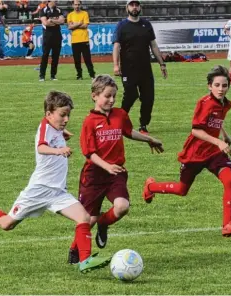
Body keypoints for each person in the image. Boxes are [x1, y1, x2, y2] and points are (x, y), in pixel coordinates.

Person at [0, 91, 111, 273]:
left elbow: (55, 133)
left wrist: (62, 133)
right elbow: (41, 147)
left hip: (58, 192)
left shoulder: (56, 127)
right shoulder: (45, 127)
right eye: (62, 115)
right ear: (48, 114)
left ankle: (84, 261)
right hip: (38, 190)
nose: (66, 119)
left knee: (83, 218)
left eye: (68, 115)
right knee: (6, 224)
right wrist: (58, 150)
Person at [68, 75, 164, 264]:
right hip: (94, 175)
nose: (111, 100)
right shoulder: (89, 122)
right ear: (94, 96)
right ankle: (74, 250)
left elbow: (128, 132)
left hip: (116, 173)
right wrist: (106, 166)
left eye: (114, 96)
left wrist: (150, 139)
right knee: (88, 219)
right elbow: (89, 154)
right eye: (107, 96)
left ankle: (104, 223)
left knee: (122, 207)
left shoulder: (120, 114)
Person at [142, 65, 231, 238]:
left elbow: (217, 121)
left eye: (224, 85)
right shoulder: (204, 104)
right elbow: (196, 130)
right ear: (209, 86)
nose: (221, 89)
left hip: (213, 152)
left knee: (230, 179)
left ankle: (227, 224)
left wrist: (225, 135)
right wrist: (219, 141)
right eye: (217, 85)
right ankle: (151, 186)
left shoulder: (226, 104)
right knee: (182, 190)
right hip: (195, 153)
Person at [112, 0, 167, 135]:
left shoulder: (146, 24)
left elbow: (153, 45)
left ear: (140, 7)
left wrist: (162, 63)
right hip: (128, 69)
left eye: (137, 5)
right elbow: (116, 46)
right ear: (127, 8)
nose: (134, 7)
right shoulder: (122, 25)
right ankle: (119, 121)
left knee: (148, 98)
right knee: (130, 96)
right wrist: (115, 65)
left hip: (145, 69)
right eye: (132, 5)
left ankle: (143, 125)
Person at [67, 0, 95, 80]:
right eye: (75, 4)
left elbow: (85, 26)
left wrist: (74, 25)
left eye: (78, 4)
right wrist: (79, 23)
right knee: (77, 60)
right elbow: (69, 27)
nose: (77, 6)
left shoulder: (85, 13)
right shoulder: (70, 15)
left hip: (84, 40)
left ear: (81, 5)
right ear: (72, 5)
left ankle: (92, 74)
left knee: (87, 59)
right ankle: (79, 75)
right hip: (75, 40)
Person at [39, 0, 65, 82]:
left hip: (57, 36)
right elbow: (46, 23)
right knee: (45, 56)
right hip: (47, 37)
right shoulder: (43, 10)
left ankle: (53, 75)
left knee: (55, 57)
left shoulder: (59, 10)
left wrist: (52, 20)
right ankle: (42, 75)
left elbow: (62, 21)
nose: (56, 1)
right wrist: (55, 21)